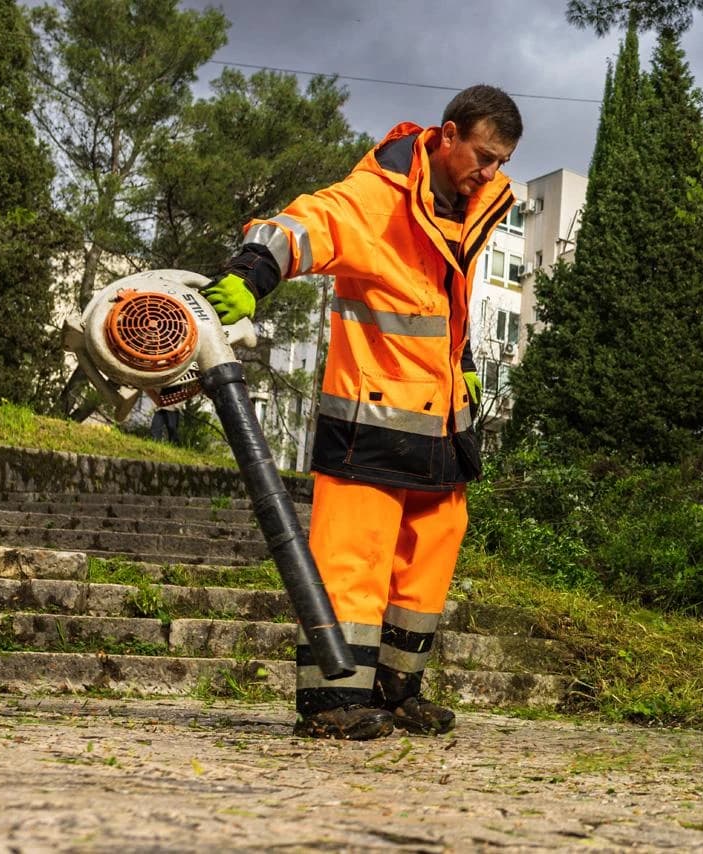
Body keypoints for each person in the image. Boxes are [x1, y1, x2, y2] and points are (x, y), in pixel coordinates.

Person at [202, 85, 522, 741]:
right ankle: (331, 703)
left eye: (500, 162)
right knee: (353, 560)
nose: (491, 173)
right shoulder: (374, 198)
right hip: (368, 423)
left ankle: (396, 691)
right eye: (484, 156)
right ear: (448, 134)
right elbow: (304, 224)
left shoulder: (472, 202)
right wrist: (254, 271)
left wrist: (458, 360)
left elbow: (442, 297)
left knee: (428, 559)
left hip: (440, 424)